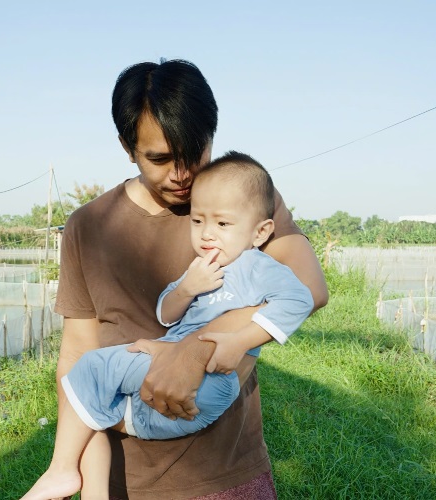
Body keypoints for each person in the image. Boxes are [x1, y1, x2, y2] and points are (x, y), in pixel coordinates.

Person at [41, 59, 328, 499]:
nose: (181, 174)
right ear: (127, 147)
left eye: (194, 152)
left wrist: (193, 351)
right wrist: (74, 463)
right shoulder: (88, 226)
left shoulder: (241, 201)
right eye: (159, 158)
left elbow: (308, 288)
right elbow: (77, 352)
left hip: (225, 469)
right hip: (125, 474)